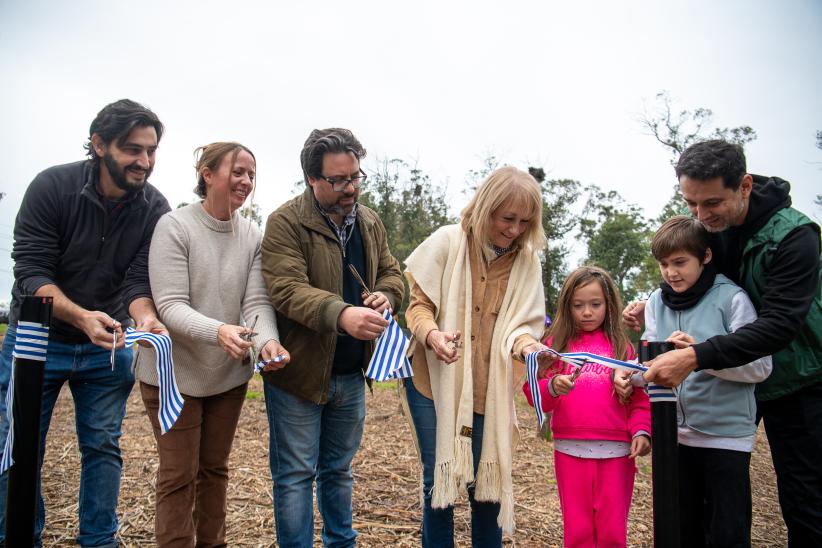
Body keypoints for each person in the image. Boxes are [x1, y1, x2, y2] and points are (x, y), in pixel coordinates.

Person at [624, 140, 822, 545]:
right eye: (691, 203)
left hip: (799, 377)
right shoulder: (713, 229)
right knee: (701, 491)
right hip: (727, 379)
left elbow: (779, 326)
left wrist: (695, 356)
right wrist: (655, 302)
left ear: (744, 186)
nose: (700, 215)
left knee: (805, 499)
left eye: (711, 202)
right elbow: (693, 277)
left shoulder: (796, 236)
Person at [0, 99, 170, 547]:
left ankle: (99, 540)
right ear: (98, 144)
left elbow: (138, 278)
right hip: (38, 338)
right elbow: (31, 272)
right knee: (19, 446)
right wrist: (79, 316)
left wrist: (146, 319)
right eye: (133, 149)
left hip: (108, 344)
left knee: (102, 446)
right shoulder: (51, 187)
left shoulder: (155, 208)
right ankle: (18, 536)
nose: (145, 161)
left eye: (151, 150)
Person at [134, 142, 290, 547]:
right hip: (173, 375)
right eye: (238, 171)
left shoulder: (253, 235)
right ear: (207, 173)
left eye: (252, 175)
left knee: (214, 470)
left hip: (226, 376)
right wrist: (220, 330)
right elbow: (169, 305)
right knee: (178, 475)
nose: (246, 181)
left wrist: (267, 344)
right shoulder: (175, 226)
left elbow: (255, 303)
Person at [260, 128, 404, 547]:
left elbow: (393, 273)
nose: (350, 188)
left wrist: (387, 295)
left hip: (349, 372)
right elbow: (287, 289)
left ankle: (342, 543)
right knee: (295, 475)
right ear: (311, 179)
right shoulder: (286, 222)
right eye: (339, 181)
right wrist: (342, 315)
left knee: (339, 470)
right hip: (299, 373)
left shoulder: (370, 221)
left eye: (356, 177)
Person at [403, 166, 548, 547]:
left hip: (489, 389)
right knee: (440, 483)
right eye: (507, 218)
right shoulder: (447, 242)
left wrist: (529, 347)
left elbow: (523, 328)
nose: (515, 229)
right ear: (485, 208)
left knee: (488, 490)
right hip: (433, 384)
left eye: (524, 222)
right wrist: (433, 335)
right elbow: (417, 309)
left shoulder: (527, 263)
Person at [619, 216, 771, 546]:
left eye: (680, 262)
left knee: (726, 531)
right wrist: (629, 376)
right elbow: (652, 363)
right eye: (663, 264)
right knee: (680, 529)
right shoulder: (657, 302)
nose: (671, 272)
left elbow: (760, 367)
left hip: (726, 438)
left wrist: (701, 357)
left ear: (705, 256)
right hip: (675, 436)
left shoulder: (732, 299)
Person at [523, 266, 650, 548]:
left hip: (617, 453)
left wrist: (641, 430)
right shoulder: (556, 346)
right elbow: (532, 391)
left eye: (595, 304)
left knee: (612, 531)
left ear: (609, 305)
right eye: (578, 305)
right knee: (578, 530)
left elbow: (640, 398)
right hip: (569, 450)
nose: (587, 312)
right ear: (567, 306)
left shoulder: (623, 348)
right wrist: (553, 386)